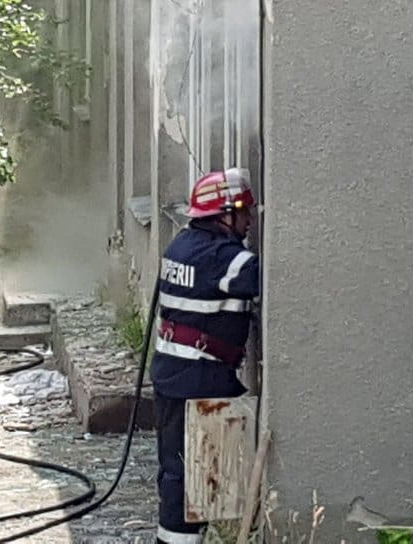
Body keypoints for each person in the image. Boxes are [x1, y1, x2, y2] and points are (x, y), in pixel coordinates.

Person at [151, 167, 260, 544]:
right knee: (194, 476)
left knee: (176, 471)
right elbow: (270, 276)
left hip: (172, 374)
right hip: (199, 379)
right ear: (224, 215)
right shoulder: (221, 258)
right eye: (244, 211)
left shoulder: (181, 246)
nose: (250, 220)